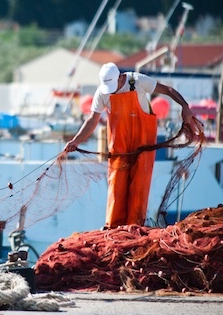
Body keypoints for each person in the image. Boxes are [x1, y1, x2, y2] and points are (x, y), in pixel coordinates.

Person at [64, 62, 200, 229]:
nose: (112, 90)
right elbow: (93, 119)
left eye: (114, 85)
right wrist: (76, 140)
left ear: (121, 76)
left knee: (139, 185)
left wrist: (184, 106)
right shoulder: (102, 93)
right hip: (119, 145)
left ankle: (134, 227)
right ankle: (113, 228)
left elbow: (168, 90)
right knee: (116, 186)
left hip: (143, 142)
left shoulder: (137, 81)